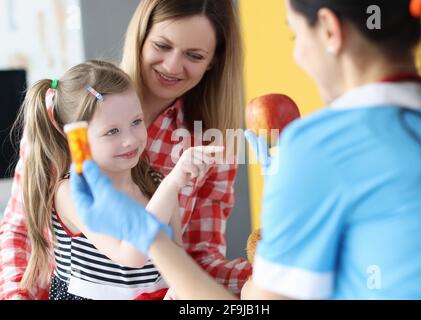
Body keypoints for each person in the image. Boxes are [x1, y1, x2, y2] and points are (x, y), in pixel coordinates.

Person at [70, 0, 421, 299]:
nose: (299, 55)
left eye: (294, 37)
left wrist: (150, 238)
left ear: (330, 31)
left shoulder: (318, 145)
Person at [0, 0, 251, 300]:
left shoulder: (207, 143)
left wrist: (259, 278)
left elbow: (188, 259)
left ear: (213, 61)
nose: (172, 66)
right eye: (162, 45)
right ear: (141, 36)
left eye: (194, 55)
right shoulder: (71, 124)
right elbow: (20, 230)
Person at [6, 59, 222, 300]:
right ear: (77, 139)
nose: (130, 139)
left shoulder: (154, 183)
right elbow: (132, 256)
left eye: (136, 122)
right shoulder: (73, 193)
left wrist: (176, 287)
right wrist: (174, 183)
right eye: (112, 131)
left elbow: (175, 255)